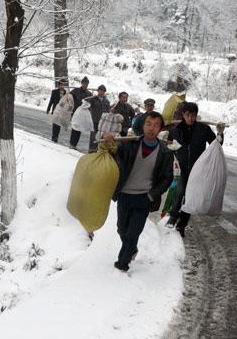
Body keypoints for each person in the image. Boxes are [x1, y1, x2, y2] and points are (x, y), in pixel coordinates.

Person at [103, 111, 174, 272]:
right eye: (148, 124)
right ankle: (132, 250)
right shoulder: (129, 144)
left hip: (144, 198)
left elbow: (166, 178)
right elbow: (113, 155)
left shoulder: (165, 153)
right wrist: (109, 141)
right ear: (143, 125)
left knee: (133, 232)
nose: (151, 128)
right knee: (122, 229)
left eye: (156, 125)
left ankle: (122, 263)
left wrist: (151, 196)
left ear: (160, 129)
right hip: (125, 195)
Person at [166, 102, 225, 237]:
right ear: (183, 115)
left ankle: (181, 226)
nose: (190, 118)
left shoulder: (203, 129)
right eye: (187, 115)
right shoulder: (175, 130)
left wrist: (220, 133)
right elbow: (167, 148)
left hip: (198, 168)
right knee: (179, 190)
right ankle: (173, 216)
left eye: (193, 115)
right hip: (181, 167)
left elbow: (216, 144)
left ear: (196, 115)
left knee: (190, 197)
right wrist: (169, 145)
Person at [69, 76, 92, 150]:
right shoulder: (75, 91)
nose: (85, 85)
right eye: (84, 83)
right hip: (75, 112)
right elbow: (69, 98)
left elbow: (90, 103)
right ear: (82, 83)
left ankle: (75, 144)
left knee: (79, 128)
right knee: (74, 127)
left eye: (87, 84)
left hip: (83, 114)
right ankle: (72, 143)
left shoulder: (89, 93)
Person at [88, 84, 110, 153]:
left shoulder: (106, 101)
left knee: (100, 136)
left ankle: (98, 149)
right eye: (101, 90)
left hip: (103, 122)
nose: (102, 92)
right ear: (98, 91)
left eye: (103, 91)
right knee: (93, 135)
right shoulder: (93, 99)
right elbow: (87, 106)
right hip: (94, 120)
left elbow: (108, 111)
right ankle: (92, 149)